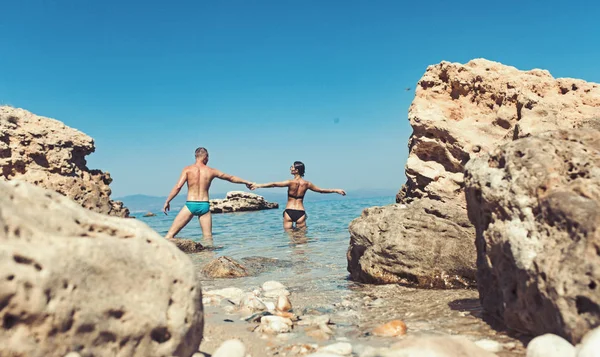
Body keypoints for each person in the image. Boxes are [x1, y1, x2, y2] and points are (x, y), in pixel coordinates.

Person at [163, 147, 253, 239]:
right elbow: (230, 177)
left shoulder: (187, 169)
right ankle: (208, 254)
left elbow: (178, 187)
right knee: (208, 237)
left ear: (196, 157)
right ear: (206, 157)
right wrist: (246, 181)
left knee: (170, 235)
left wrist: (168, 201)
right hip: (204, 205)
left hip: (191, 204)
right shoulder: (211, 171)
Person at [250, 161, 346, 230]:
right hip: (300, 212)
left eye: (292, 167)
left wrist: (258, 185)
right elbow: (321, 191)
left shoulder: (290, 182)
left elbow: (274, 184)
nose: (290, 168)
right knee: (302, 239)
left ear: (296, 170)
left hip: (289, 211)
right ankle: (302, 257)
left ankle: (293, 258)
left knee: (290, 239)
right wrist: (336, 190)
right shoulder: (307, 184)